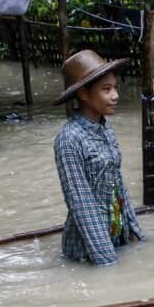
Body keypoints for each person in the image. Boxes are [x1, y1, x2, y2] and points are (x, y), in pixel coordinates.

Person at [53, 49, 143, 266]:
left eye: (115, 88)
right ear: (83, 94)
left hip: (117, 235)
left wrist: (136, 235)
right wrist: (107, 262)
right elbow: (82, 204)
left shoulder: (105, 129)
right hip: (88, 252)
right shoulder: (69, 139)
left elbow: (118, 187)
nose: (115, 96)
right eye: (106, 90)